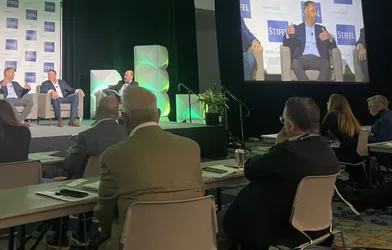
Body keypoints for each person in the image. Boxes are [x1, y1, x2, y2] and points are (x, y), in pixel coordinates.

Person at [220, 97, 340, 249]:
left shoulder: (287, 152)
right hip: (318, 225)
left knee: (221, 218)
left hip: (280, 225)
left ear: (289, 125)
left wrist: (279, 145)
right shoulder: (327, 150)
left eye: (283, 121)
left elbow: (251, 169)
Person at [95, 86, 204, 250]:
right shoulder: (191, 148)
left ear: (124, 117)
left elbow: (104, 213)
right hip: (191, 242)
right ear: (158, 114)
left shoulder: (113, 156)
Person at [46, 96, 127, 249]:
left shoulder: (86, 136)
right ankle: (82, 234)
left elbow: (71, 166)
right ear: (117, 114)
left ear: (97, 112)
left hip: (84, 187)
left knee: (64, 180)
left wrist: (71, 153)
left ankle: (60, 236)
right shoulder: (127, 134)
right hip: (117, 187)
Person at [282, 1, 337, 81]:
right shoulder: (297, 29)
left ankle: (316, 90)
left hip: (318, 59)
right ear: (305, 12)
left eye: (316, 11)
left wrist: (330, 37)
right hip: (302, 58)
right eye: (313, 11)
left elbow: (333, 46)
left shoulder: (321, 29)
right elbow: (286, 43)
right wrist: (287, 34)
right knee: (295, 63)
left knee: (326, 64)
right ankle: (308, 87)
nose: (315, 14)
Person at [320, 94, 366, 185]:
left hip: (344, 153)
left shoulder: (332, 114)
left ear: (333, 103)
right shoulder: (350, 117)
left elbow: (320, 132)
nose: (327, 103)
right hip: (355, 155)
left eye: (329, 101)